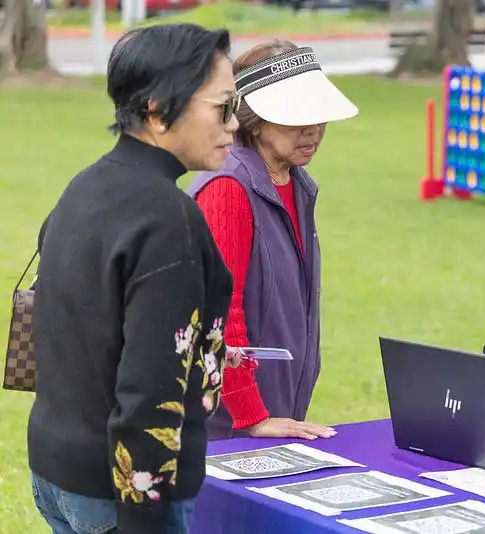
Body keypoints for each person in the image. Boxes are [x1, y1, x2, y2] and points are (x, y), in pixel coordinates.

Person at [28, 24, 241, 533]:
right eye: (222, 108)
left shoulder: (86, 185)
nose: (235, 126)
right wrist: (142, 519)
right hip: (123, 495)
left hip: (57, 469)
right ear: (156, 108)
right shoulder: (169, 220)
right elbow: (150, 393)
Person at [186, 39, 359, 441]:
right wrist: (251, 415)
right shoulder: (228, 186)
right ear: (253, 119)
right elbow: (219, 313)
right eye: (297, 117)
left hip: (273, 408)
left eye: (320, 116)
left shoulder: (296, 182)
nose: (313, 130)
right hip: (225, 423)